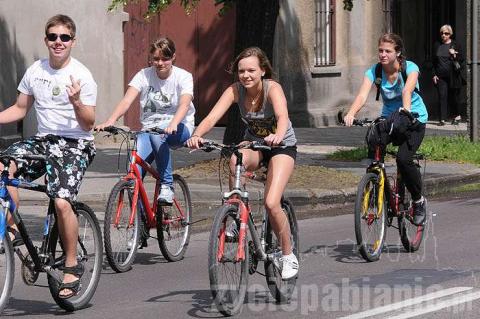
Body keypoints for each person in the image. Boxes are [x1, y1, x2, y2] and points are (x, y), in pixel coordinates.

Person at [0, 14, 97, 299]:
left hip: (75, 144)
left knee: (61, 200)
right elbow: (20, 108)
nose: (58, 42)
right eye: (53, 37)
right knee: (4, 166)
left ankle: (71, 264)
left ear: (72, 41)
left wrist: (77, 102)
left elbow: (88, 123)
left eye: (64, 37)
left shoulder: (82, 75)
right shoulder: (35, 71)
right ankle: (13, 229)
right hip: (44, 142)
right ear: (46, 40)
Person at [187, 47, 299, 280]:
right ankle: (236, 215)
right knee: (236, 157)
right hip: (255, 144)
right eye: (241, 71)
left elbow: (282, 116)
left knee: (271, 202)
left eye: (251, 70)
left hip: (281, 146)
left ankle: (288, 255)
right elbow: (211, 117)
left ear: (262, 71)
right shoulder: (235, 91)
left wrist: (278, 134)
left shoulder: (272, 88)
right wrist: (197, 134)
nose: (246, 75)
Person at [95, 37, 195, 205]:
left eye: (165, 58)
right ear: (150, 58)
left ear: (173, 57)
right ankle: (141, 226)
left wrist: (173, 124)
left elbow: (184, 104)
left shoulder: (183, 76)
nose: (160, 63)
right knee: (134, 174)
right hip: (149, 129)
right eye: (156, 59)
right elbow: (127, 100)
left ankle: (167, 185)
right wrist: (111, 120)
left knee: (158, 135)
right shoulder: (143, 75)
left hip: (179, 127)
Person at [343, 33, 428, 226]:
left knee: (403, 160)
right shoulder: (375, 71)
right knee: (374, 140)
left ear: (398, 53)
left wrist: (406, 111)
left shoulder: (410, 68)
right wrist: (351, 113)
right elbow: (362, 95)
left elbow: (407, 90)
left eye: (388, 51)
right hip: (391, 118)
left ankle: (418, 201)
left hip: (414, 119)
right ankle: (374, 187)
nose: (383, 54)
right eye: (380, 50)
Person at [432, 24, 465, 126]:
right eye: (442, 33)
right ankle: (442, 119)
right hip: (440, 76)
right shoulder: (437, 45)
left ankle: (457, 116)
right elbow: (433, 62)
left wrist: (454, 54)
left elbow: (461, 60)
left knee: (454, 97)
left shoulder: (455, 44)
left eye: (446, 33)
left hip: (453, 76)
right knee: (442, 96)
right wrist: (434, 74)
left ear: (450, 34)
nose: (443, 35)